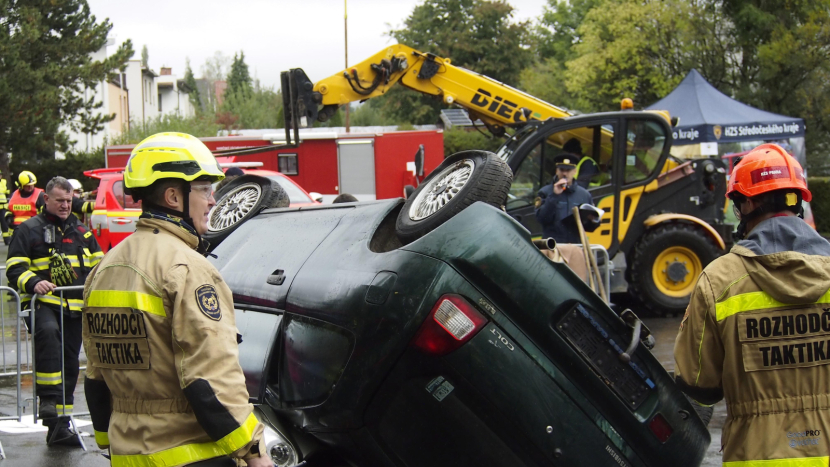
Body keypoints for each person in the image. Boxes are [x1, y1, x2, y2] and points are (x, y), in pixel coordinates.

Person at [82, 133, 271, 467]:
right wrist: (253, 451)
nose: (213, 201)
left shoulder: (103, 268)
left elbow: (96, 376)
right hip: (191, 453)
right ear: (173, 196)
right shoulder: (188, 269)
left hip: (126, 453)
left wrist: (107, 439)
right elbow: (209, 377)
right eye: (204, 190)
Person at [674, 143, 830, 465]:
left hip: (755, 454)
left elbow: (698, 381)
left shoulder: (719, 280)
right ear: (797, 199)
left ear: (745, 203)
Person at [6, 176, 104, 446]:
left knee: (70, 363)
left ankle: (60, 426)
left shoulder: (82, 231)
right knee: (49, 336)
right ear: (46, 199)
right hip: (44, 304)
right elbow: (14, 268)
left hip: (75, 307)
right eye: (59, 200)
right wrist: (35, 282)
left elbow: (100, 266)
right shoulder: (28, 229)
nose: (64, 205)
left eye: (69, 201)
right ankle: (48, 402)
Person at [535, 154, 594, 243]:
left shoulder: (584, 195)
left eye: (568, 170)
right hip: (553, 247)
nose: (565, 174)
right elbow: (542, 219)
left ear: (574, 171)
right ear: (556, 171)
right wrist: (554, 196)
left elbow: (589, 228)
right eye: (562, 170)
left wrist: (593, 220)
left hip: (575, 247)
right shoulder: (545, 192)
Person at [0, 170, 10, 245]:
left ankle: (7, 240)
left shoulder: (4, 182)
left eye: (0, 174)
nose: (0, 176)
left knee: (4, 224)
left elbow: (7, 191)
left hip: (3, 206)